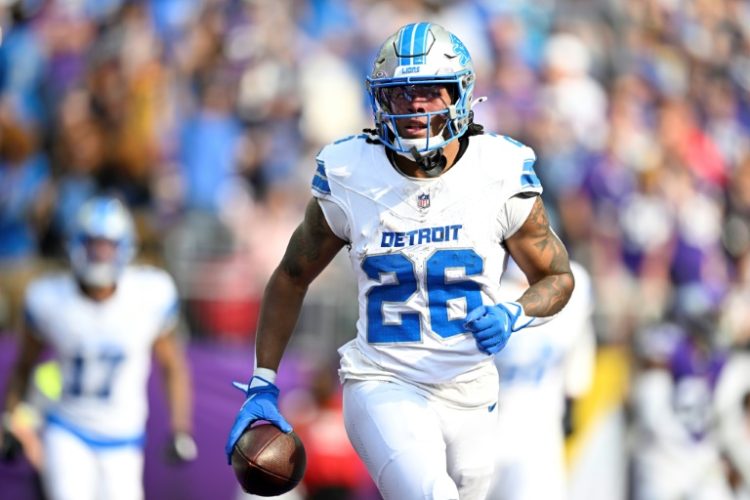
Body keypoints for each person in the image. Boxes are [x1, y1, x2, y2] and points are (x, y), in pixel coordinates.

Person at [225, 22, 574, 500]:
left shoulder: (499, 170)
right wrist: (262, 381)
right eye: (400, 92)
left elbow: (557, 276)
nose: (414, 105)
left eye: (430, 92)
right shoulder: (351, 173)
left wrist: (515, 312)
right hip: (383, 379)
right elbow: (291, 276)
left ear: (461, 94)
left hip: (471, 388)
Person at [0, 195, 197, 500]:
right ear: (76, 244)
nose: (100, 253)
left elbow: (172, 366)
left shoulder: (148, 295)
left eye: (108, 245)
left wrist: (180, 427)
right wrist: (11, 419)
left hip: (125, 437)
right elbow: (24, 366)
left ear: (125, 247)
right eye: (93, 244)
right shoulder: (49, 298)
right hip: (68, 429)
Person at [488, 260, 595, 500]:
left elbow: (579, 362)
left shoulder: (573, 284)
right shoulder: (487, 289)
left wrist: (574, 389)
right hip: (485, 428)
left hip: (539, 431)